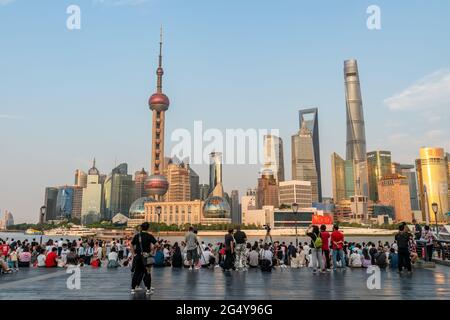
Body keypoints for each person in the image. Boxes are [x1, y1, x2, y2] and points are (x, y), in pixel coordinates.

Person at [130, 222, 157, 295]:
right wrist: (152, 251)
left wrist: (134, 254)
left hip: (138, 257)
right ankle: (148, 290)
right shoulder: (149, 236)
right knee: (147, 273)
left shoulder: (137, 236)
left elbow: (131, 244)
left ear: (141, 227)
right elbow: (157, 244)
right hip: (146, 257)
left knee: (136, 273)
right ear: (148, 228)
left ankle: (133, 289)